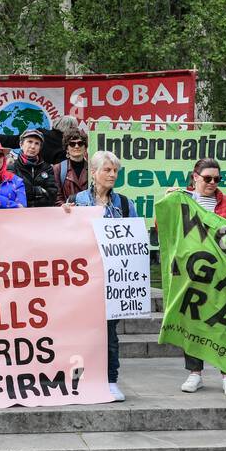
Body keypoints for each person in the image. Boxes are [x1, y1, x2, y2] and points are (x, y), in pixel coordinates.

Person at [63, 150, 134, 402]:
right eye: (107, 170)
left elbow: (134, 240)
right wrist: (63, 216)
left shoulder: (126, 204)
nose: (112, 174)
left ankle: (110, 380)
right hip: (83, 278)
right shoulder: (76, 201)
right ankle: (82, 378)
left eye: (115, 170)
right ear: (93, 173)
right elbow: (64, 239)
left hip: (112, 279)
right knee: (80, 330)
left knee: (109, 332)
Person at [179, 157, 226, 396]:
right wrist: (168, 200)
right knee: (194, 322)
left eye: (217, 179)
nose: (212, 183)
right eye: (207, 178)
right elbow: (162, 226)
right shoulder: (182, 200)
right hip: (193, 274)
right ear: (195, 176)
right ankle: (194, 373)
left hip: (223, 274)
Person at [11, 128, 59, 208]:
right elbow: (13, 193)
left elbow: (52, 195)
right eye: (30, 142)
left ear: (40, 148)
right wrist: (39, 190)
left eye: (37, 143)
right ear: (21, 144)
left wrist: (26, 191)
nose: (33, 146)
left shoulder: (47, 168)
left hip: (42, 214)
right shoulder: (12, 167)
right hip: (19, 214)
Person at [55, 128, 90, 205]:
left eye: (80, 143)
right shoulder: (58, 169)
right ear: (67, 148)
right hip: (67, 213)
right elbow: (57, 196)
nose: (76, 146)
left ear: (85, 148)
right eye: (72, 144)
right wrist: (64, 205)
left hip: (88, 213)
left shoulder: (92, 169)